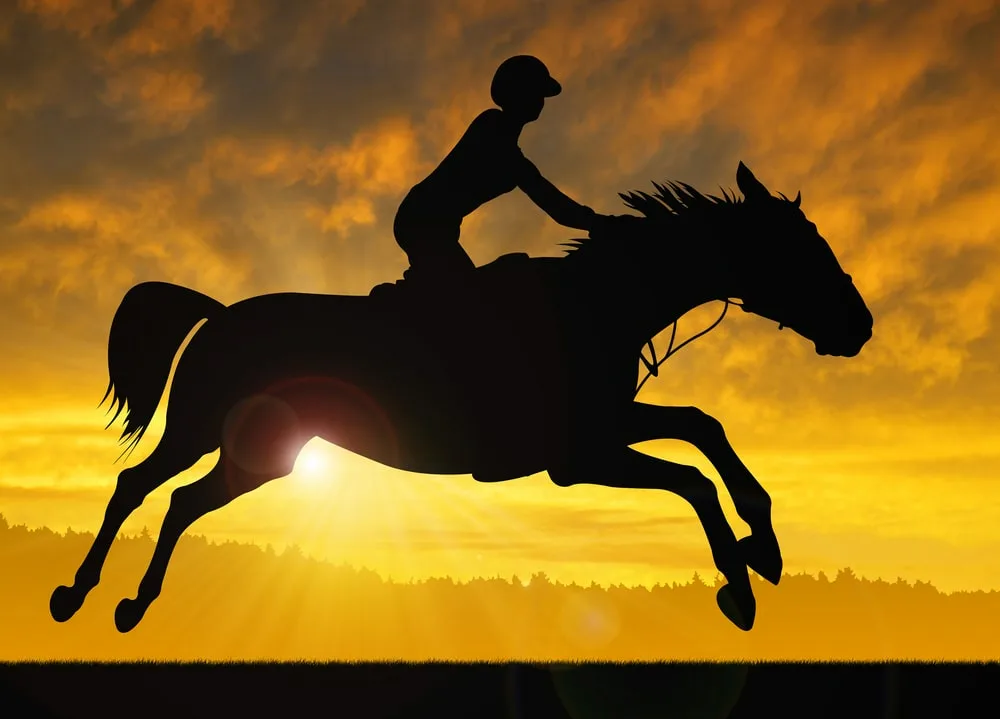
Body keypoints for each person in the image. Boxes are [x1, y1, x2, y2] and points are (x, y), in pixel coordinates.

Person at [371, 55, 600, 297]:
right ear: (517, 93)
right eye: (535, 92)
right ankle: (396, 301)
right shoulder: (492, 126)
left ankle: (410, 294)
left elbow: (551, 200)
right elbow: (550, 199)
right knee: (467, 296)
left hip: (439, 227)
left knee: (461, 292)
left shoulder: (512, 153)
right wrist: (598, 222)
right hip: (421, 220)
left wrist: (598, 222)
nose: (540, 101)